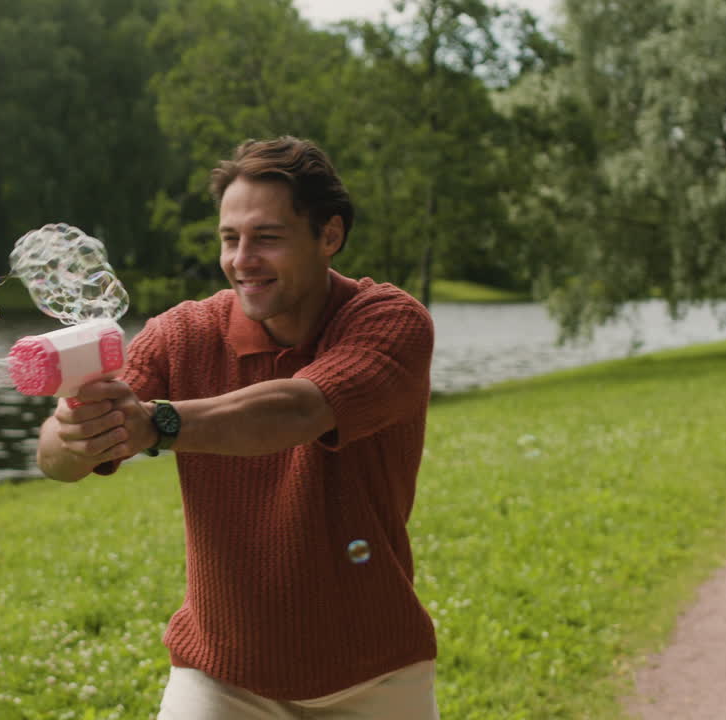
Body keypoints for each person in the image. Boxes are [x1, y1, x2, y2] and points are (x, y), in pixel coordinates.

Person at [36, 137, 439, 718]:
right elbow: (55, 458)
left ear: (329, 235)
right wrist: (75, 435)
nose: (241, 259)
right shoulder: (183, 333)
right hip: (220, 677)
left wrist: (156, 423)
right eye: (230, 239)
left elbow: (298, 409)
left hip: (375, 675)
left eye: (267, 238)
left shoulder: (390, 322)